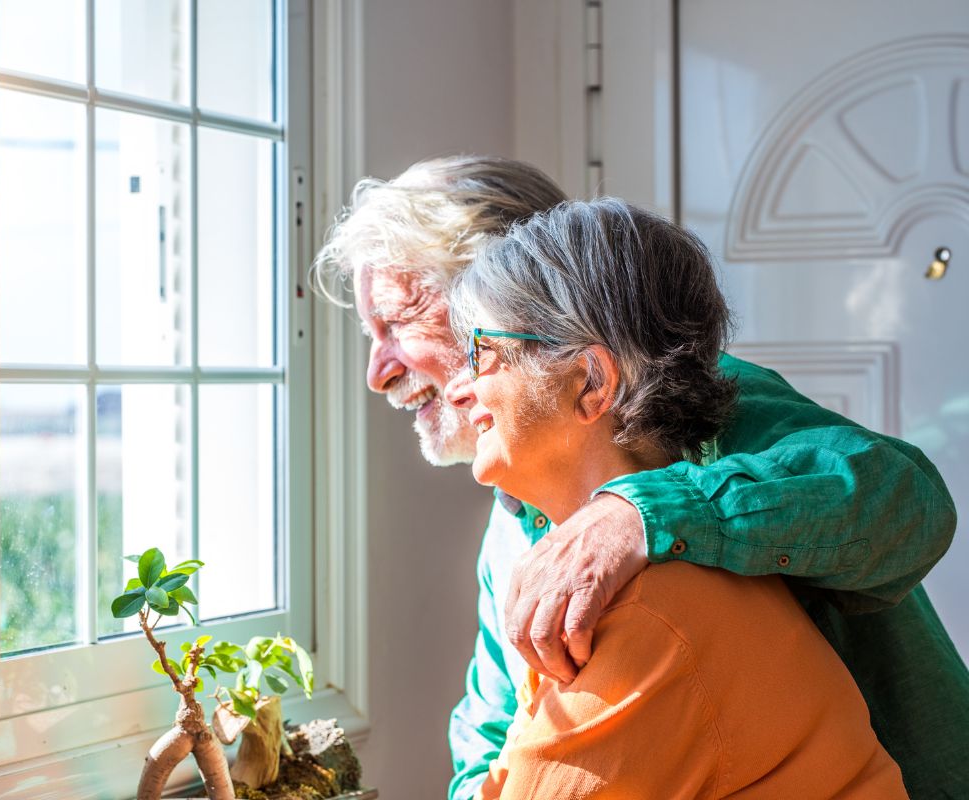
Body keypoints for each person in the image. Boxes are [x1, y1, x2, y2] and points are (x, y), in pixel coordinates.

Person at [313, 155, 968, 799]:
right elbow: (493, 735)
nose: (379, 372)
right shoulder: (512, 512)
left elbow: (908, 506)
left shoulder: (696, 400)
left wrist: (642, 512)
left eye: (397, 321)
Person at [442, 197, 905, 798]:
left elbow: (899, 492)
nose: (456, 390)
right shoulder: (574, 564)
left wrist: (638, 513)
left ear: (591, 382)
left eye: (480, 352)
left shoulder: (646, 607)